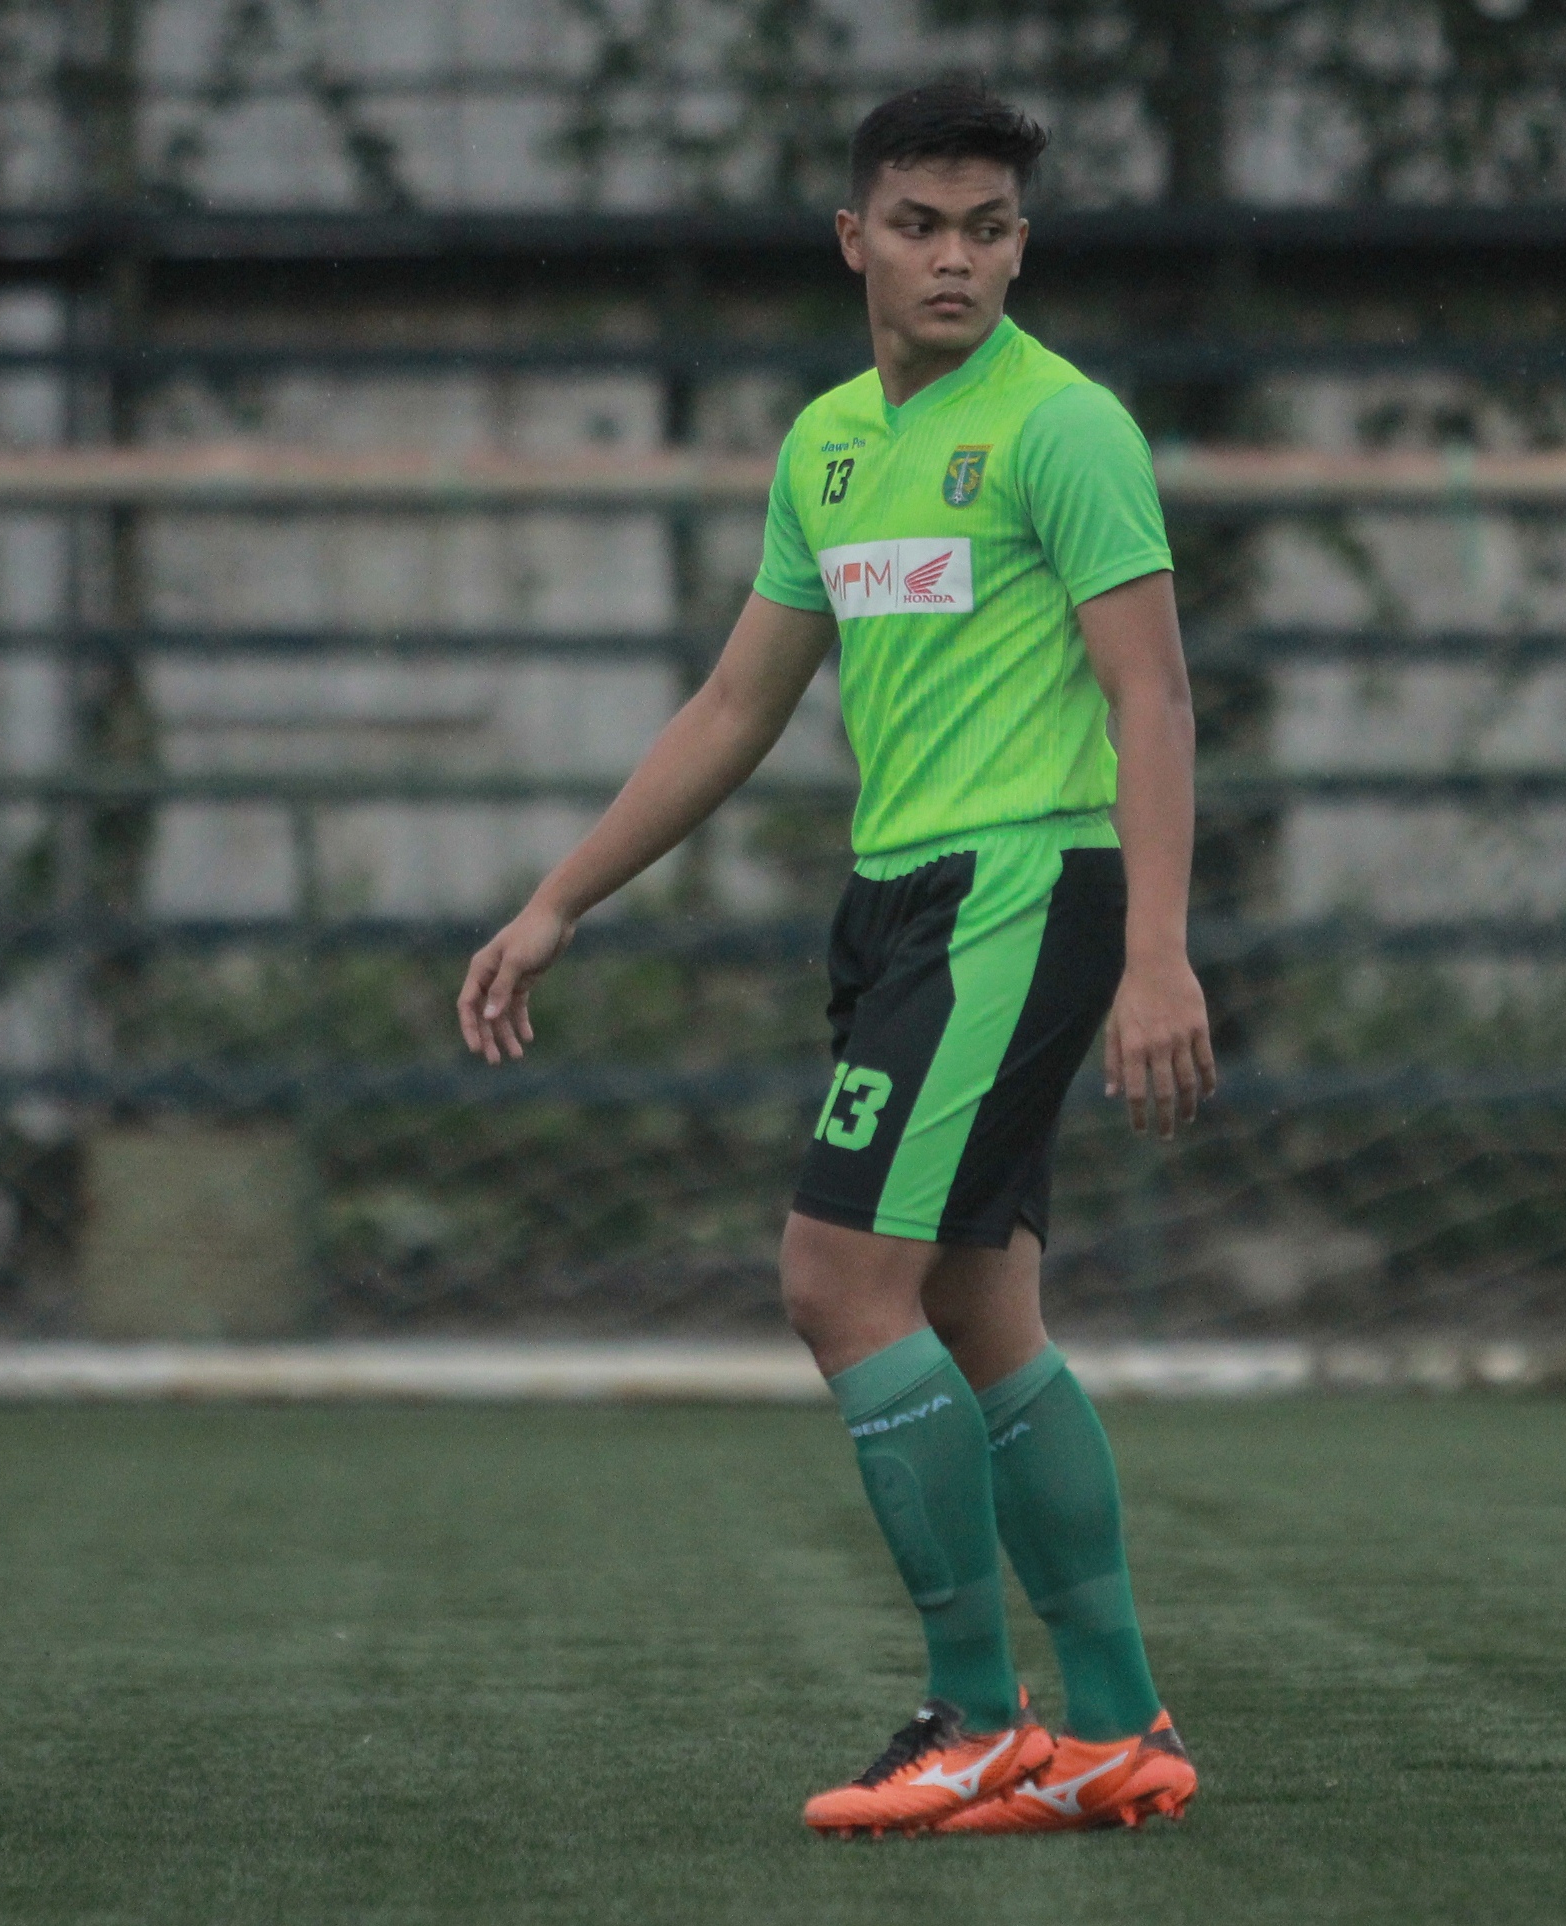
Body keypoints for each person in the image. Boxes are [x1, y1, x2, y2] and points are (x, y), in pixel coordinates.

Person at [458, 76, 1210, 1837]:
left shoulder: (1064, 427)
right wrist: (560, 894)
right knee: (969, 1300)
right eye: (923, 225)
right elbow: (737, 701)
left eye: (991, 229)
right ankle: (1109, 1726)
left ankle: (969, 1714)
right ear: (855, 237)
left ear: (1022, 245)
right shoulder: (825, 445)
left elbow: (1151, 692)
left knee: (830, 1279)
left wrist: (1159, 953)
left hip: (1017, 889)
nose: (957, 260)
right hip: (896, 902)